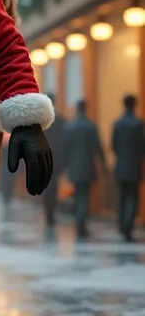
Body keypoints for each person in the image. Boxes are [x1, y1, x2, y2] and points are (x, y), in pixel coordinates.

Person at [64, 99, 107, 239]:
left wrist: (65, 167)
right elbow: (98, 147)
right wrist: (104, 165)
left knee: (78, 194)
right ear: (86, 109)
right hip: (88, 166)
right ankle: (82, 223)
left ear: (77, 109)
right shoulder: (91, 126)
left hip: (74, 167)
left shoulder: (70, 127)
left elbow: (66, 149)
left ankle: (79, 222)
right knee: (85, 196)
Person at [112, 95, 145, 242]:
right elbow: (142, 146)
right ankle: (128, 226)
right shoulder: (138, 124)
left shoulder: (117, 124)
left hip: (120, 166)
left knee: (121, 197)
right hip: (134, 166)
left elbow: (113, 145)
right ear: (135, 105)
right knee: (132, 197)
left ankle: (121, 225)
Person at [42, 94, 66, 226]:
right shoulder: (61, 120)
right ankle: (51, 213)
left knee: (46, 186)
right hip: (56, 159)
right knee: (54, 185)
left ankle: (48, 213)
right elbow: (64, 142)